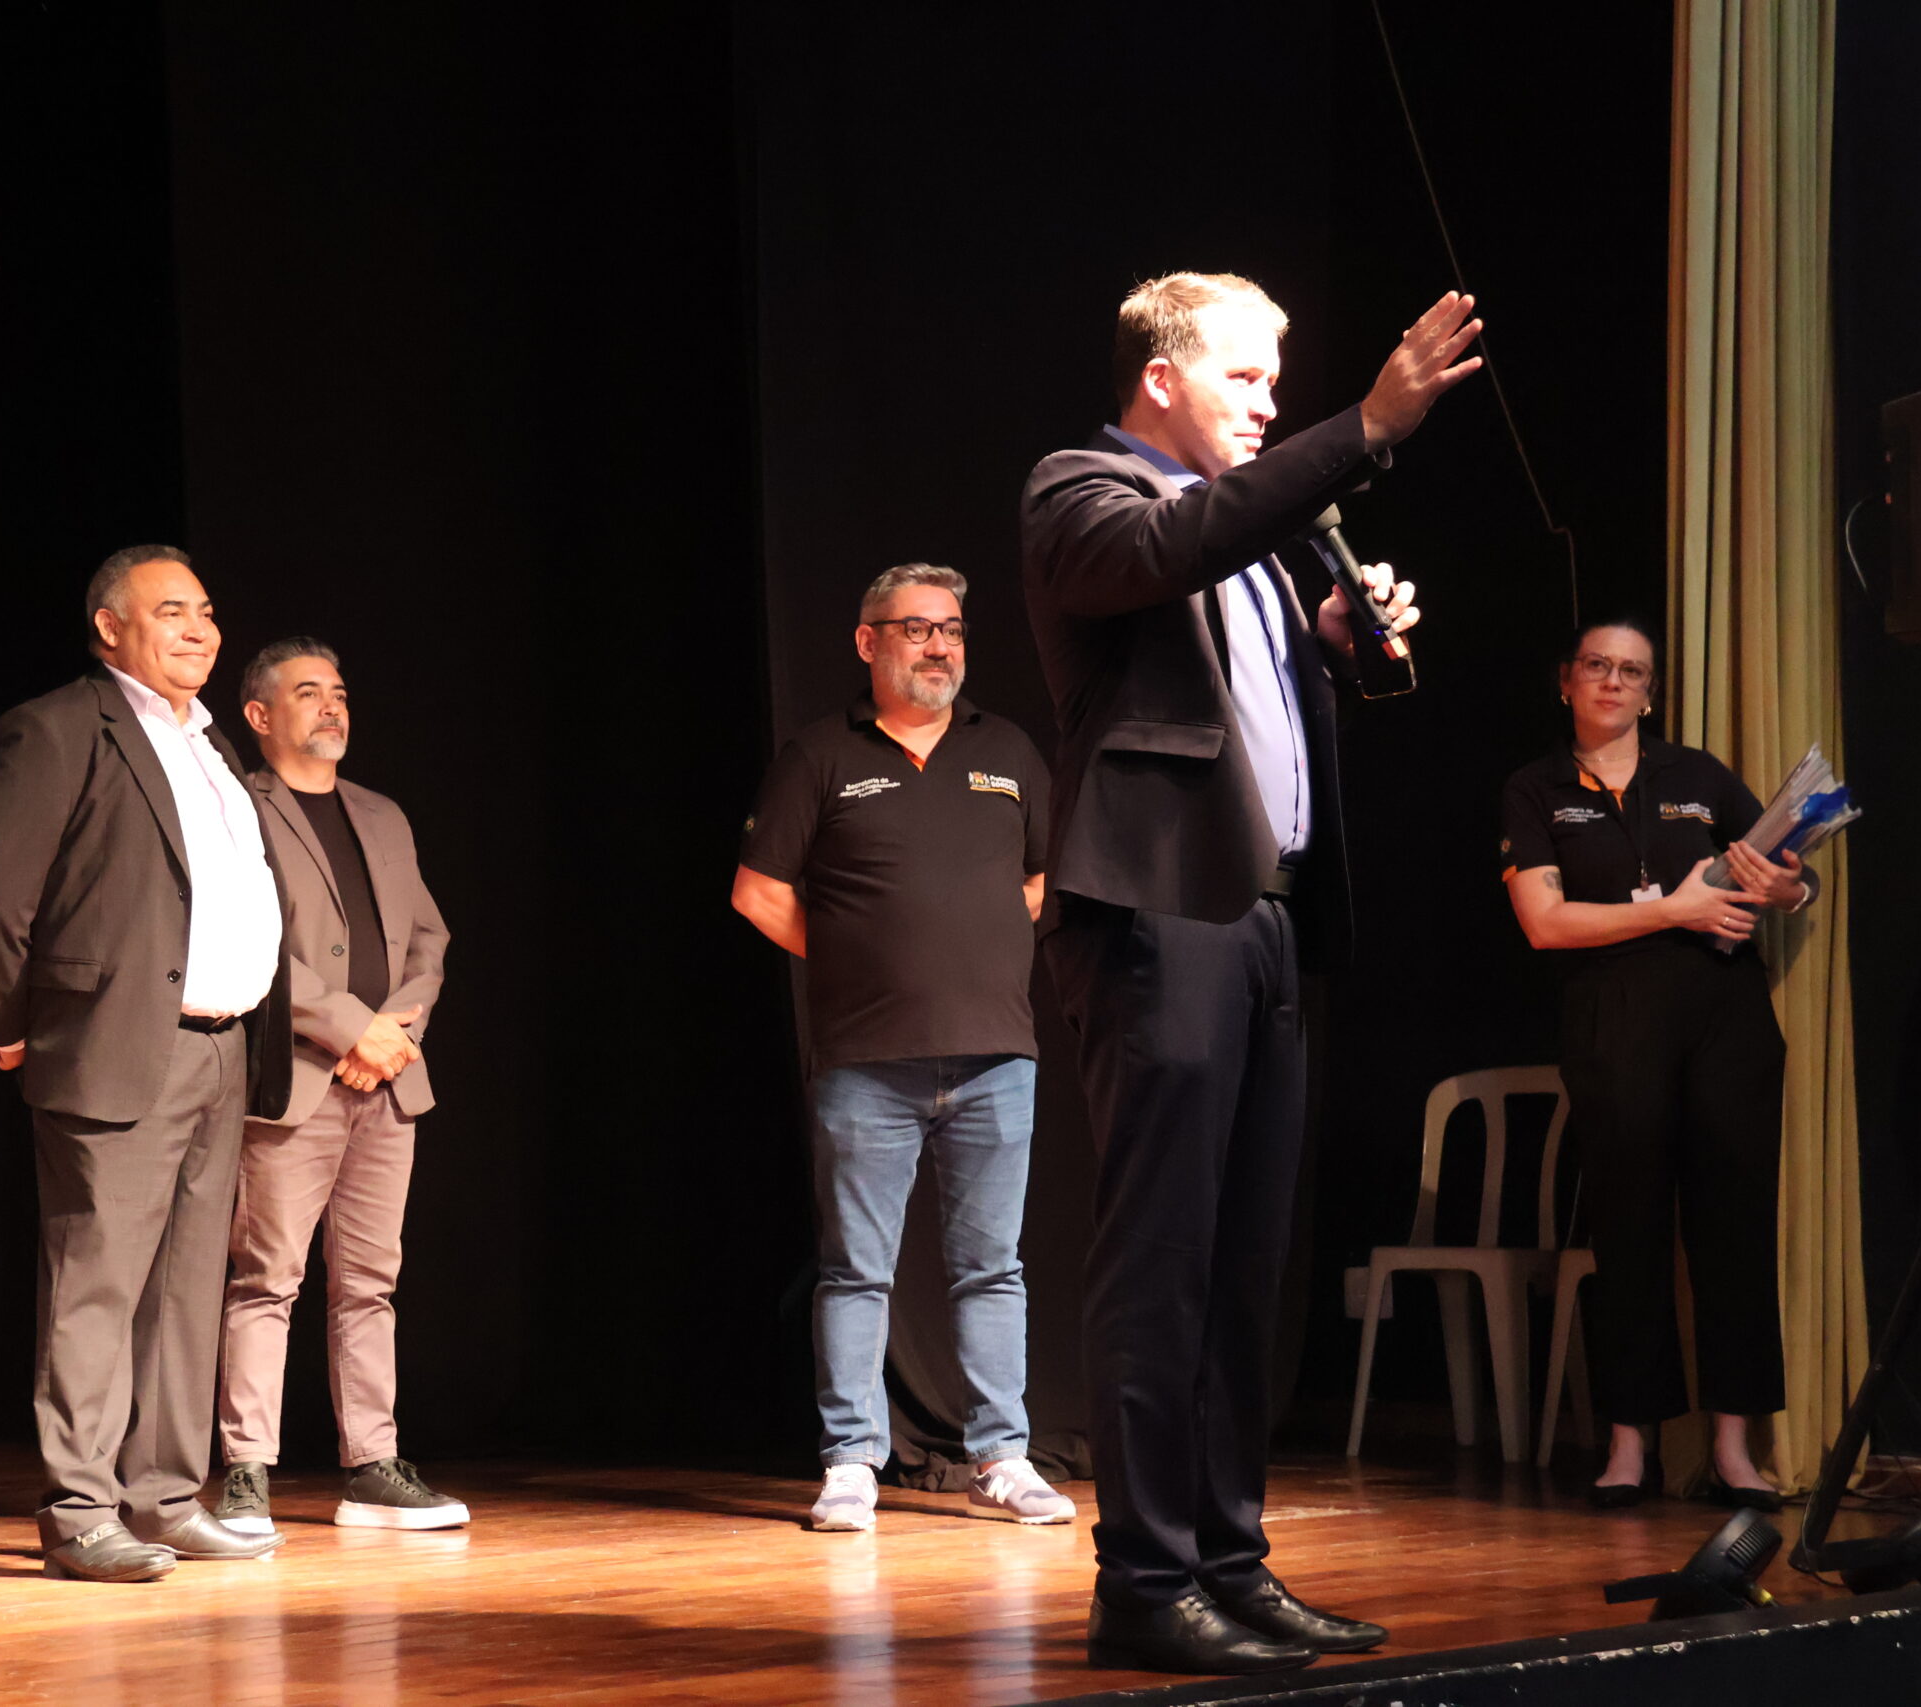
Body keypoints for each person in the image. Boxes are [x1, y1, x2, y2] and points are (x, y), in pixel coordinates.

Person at [1022, 273, 1471, 1675]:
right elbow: (1178, 546)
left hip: (1262, 917)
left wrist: (1331, 643)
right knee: (1161, 1258)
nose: (1271, 403)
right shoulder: (1081, 490)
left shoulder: (1259, 552)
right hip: (1158, 916)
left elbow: (1247, 679)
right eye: (1246, 376)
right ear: (1161, 377)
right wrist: (1368, 425)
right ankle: (1145, 1581)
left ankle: (1228, 1559)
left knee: (1241, 1267)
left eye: (1282, 382)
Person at [0, 546, 293, 1581]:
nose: (199, 629)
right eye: (171, 611)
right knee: (96, 1283)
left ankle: (163, 1494)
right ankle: (80, 1507)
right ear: (110, 627)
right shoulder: (59, 729)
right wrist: (9, 1022)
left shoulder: (212, 745)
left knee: (188, 1289)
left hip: (220, 1047)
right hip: (112, 1045)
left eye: (206, 611)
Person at [732, 563, 1074, 1534]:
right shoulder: (820, 755)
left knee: (992, 1267)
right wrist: (856, 957)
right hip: (865, 1062)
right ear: (867, 641)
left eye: (952, 628)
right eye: (917, 627)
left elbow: (1043, 878)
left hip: (996, 1055)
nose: (939, 645)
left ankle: (1000, 1457)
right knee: (855, 1269)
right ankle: (850, 1461)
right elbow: (758, 891)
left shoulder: (1006, 749)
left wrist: (975, 945)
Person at [1500, 617, 1808, 1512]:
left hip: (1725, 1019)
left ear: (1650, 693)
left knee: (1735, 1227)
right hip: (1614, 1018)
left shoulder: (1698, 775)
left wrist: (1789, 886)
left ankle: (1734, 1447)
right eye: (1597, 665)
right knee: (1628, 1227)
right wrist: (1675, 909)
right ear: (1566, 680)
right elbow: (1545, 923)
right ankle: (1629, 1442)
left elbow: (1789, 872)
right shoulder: (1535, 788)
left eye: (1632, 671)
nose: (1613, 681)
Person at [211, 638, 463, 1534]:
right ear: (258, 714)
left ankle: (372, 1465)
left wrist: (394, 1036)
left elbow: (429, 941)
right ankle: (247, 1471)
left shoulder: (382, 814)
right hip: (297, 1079)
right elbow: (251, 945)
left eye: (340, 693)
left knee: (370, 1282)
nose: (331, 706)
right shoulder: (237, 806)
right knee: (266, 1279)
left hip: (388, 1082)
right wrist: (351, 1027)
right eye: (309, 691)